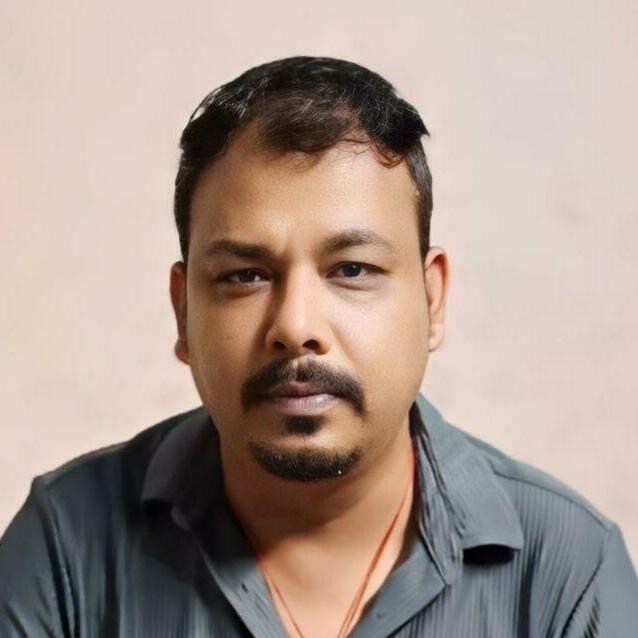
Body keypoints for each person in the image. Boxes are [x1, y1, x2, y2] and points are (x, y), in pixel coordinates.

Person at [1, 56, 636, 638]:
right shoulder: (65, 549)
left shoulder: (568, 573)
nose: (296, 325)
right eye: (245, 275)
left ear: (432, 299)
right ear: (184, 311)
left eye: (352, 269)